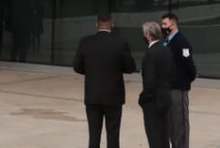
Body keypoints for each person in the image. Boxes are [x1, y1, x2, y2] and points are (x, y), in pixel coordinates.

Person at [72, 13, 136, 148]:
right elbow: (130, 67)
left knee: (94, 135)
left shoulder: (85, 42)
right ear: (111, 24)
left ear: (97, 25)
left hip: (93, 95)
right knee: (113, 135)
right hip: (113, 96)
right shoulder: (120, 43)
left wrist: (91, 72)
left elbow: (77, 66)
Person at [161, 12, 197, 148]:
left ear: (173, 24)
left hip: (178, 88)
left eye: (165, 24)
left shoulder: (181, 41)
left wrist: (185, 81)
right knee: (171, 123)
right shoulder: (167, 41)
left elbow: (189, 65)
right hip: (169, 87)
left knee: (180, 121)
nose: (162, 27)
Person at [138, 21, 173, 148]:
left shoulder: (150, 54)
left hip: (153, 101)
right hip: (165, 97)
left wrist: (143, 98)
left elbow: (149, 81)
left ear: (148, 35)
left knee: (154, 137)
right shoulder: (167, 50)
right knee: (164, 135)